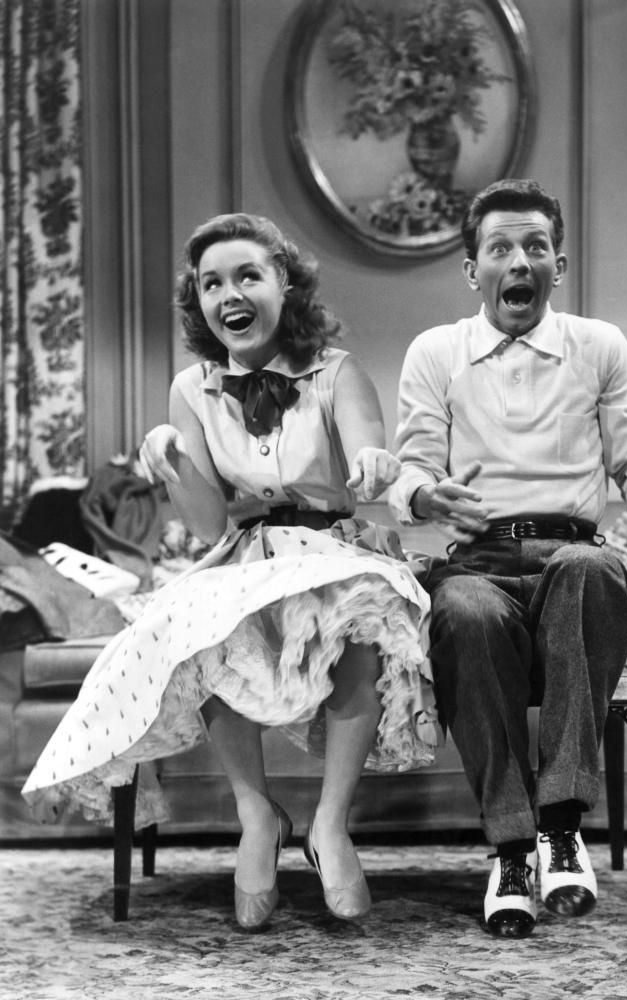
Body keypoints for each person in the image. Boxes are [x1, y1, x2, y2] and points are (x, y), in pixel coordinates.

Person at [23, 213, 436, 930]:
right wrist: (174, 463)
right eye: (212, 284)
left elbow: (370, 459)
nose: (229, 294)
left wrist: (375, 462)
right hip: (243, 553)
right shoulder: (193, 389)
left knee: (364, 604)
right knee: (201, 617)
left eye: (248, 276)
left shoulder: (336, 372)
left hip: (326, 545)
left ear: (286, 286)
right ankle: (257, 814)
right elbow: (209, 524)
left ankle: (329, 824)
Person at [388, 179, 627, 939]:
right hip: (479, 561)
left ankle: (559, 829)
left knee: (590, 570)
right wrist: (426, 496)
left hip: (574, 556)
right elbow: (411, 468)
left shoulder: (600, 346)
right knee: (460, 608)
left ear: (558, 264)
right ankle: (512, 850)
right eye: (500, 248)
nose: (518, 261)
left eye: (535, 246)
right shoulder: (436, 352)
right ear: (474, 271)